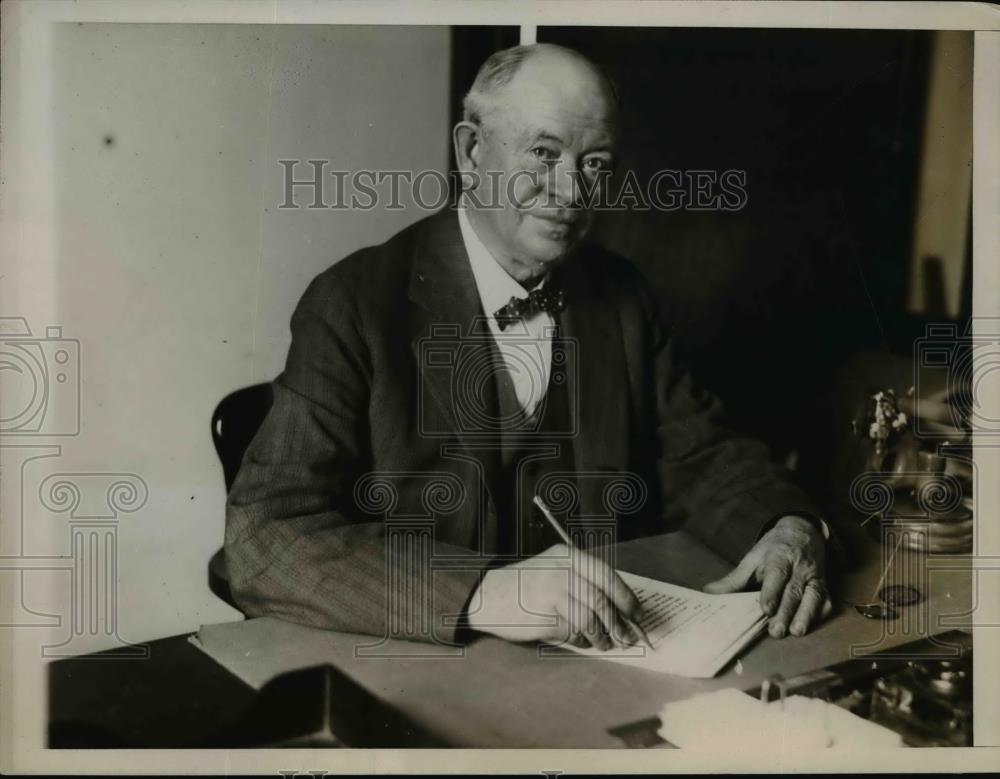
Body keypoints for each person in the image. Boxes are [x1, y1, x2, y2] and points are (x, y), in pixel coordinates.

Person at [224, 43, 831, 652]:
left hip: (604, 656)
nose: (570, 190)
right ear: (471, 151)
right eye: (544, 154)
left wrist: (786, 523)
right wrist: (486, 594)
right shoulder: (353, 302)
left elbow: (699, 454)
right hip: (424, 658)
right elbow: (264, 538)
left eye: (594, 163)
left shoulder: (621, 295)